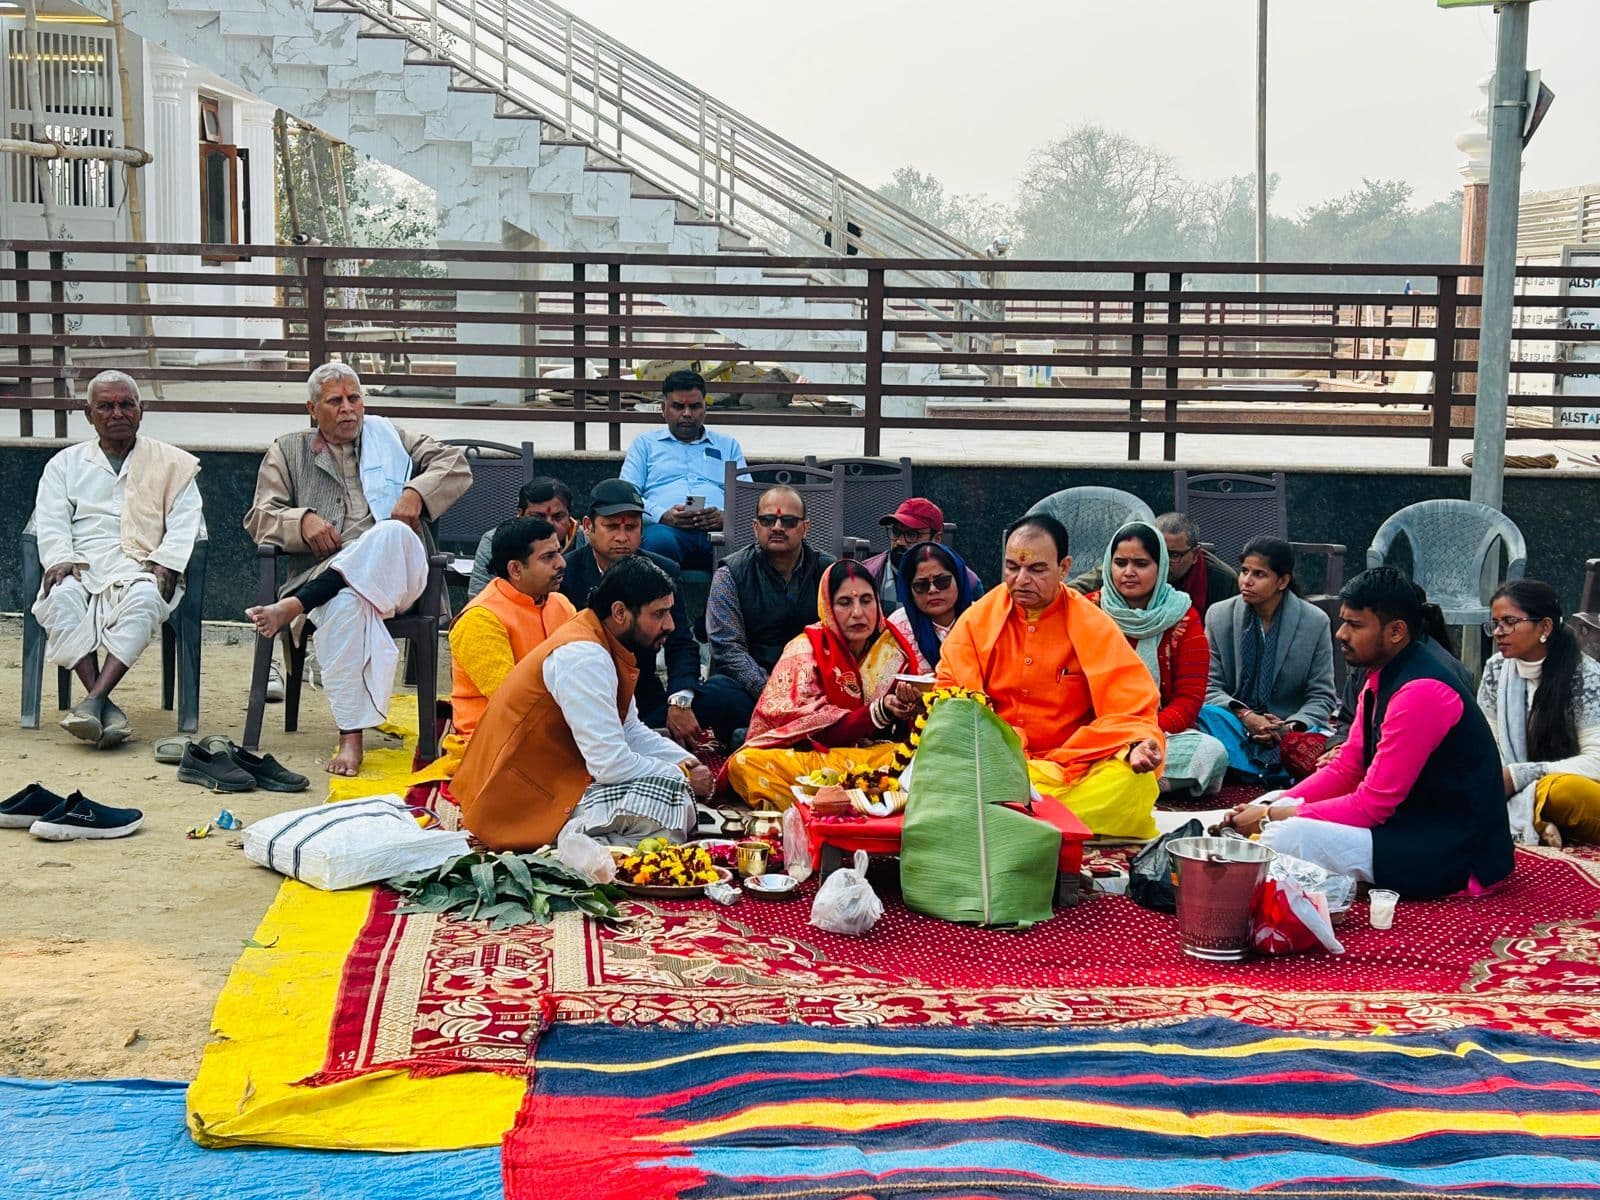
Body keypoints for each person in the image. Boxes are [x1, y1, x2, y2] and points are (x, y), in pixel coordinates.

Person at [1222, 567, 1513, 899]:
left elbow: (1372, 806)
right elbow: (1348, 767)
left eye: (1355, 625)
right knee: (1270, 808)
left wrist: (1270, 817)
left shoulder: (1422, 691)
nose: (1341, 634)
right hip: (1408, 825)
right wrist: (1271, 803)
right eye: (1344, 622)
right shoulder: (1381, 675)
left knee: (1284, 837)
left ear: (1396, 631)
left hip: (1453, 850)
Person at [243, 362, 471, 776]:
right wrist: (302, 521)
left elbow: (454, 464)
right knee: (347, 601)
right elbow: (259, 517)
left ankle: (294, 606)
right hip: (329, 581)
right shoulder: (288, 450)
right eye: (335, 401)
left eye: (354, 398)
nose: (348, 408)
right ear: (313, 409)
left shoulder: (390, 436)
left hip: (401, 576)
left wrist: (416, 493)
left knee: (390, 534)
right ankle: (351, 737)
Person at [450, 556, 714, 850]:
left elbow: (630, 731)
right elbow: (610, 765)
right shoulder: (585, 657)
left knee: (672, 798)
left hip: (550, 784)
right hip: (516, 802)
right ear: (619, 613)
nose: (670, 624)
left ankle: (589, 842)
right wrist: (682, 775)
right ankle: (569, 850)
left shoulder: (603, 641)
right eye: (659, 614)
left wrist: (682, 760)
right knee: (668, 801)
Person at [936, 514, 1165, 838]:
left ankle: (1009, 819)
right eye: (1013, 567)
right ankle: (1044, 820)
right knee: (941, 773)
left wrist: (1137, 746)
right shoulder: (978, 621)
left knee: (1133, 782)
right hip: (995, 763)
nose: (1021, 579)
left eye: (1037, 569)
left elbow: (1131, 710)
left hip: (1071, 767)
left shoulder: (1092, 625)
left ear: (1065, 567)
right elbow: (952, 698)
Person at [31, 371, 203, 748]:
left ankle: (92, 702)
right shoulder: (65, 464)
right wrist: (60, 559)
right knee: (61, 597)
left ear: (141, 411)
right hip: (81, 562)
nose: (117, 413)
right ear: (88, 413)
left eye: (126, 404)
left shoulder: (171, 463)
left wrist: (167, 562)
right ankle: (101, 704)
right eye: (105, 406)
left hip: (141, 563)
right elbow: (51, 520)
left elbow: (186, 521)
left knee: (144, 599)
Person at [726, 560, 920, 808]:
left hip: (868, 759)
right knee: (745, 764)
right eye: (845, 602)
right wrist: (879, 711)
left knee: (920, 756)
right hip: (814, 761)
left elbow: (908, 733)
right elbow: (804, 731)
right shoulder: (806, 649)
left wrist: (908, 707)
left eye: (866, 600)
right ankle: (842, 808)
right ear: (827, 607)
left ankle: (832, 806)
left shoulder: (893, 649)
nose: (858, 613)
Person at [558, 479, 707, 744]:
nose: (622, 537)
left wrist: (679, 702)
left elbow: (681, 643)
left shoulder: (664, 570)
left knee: (722, 698)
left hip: (644, 696)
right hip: (580, 700)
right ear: (588, 527)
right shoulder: (564, 575)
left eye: (632, 527)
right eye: (612, 526)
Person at [1086, 522, 1228, 797]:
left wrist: (1143, 735)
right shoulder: (1088, 611)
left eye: (1141, 563)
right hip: (1095, 731)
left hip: (1157, 732)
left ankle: (1119, 783)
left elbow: (1189, 701)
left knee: (1211, 752)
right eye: (1120, 562)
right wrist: (1115, 734)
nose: (1128, 572)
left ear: (1160, 566)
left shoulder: (1184, 617)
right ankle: (1137, 785)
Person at [435, 517, 576, 776]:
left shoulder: (560, 604)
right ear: (515, 569)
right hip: (495, 740)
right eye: (548, 557)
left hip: (553, 726)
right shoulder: (481, 618)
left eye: (559, 552)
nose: (561, 563)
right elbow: (513, 702)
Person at [700, 486, 835, 745]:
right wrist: (774, 691)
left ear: (806, 527)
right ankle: (793, 736)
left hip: (813, 689)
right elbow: (727, 648)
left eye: (788, 521)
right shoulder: (730, 574)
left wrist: (805, 691)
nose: (777, 527)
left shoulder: (829, 571)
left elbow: (843, 635)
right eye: (767, 520)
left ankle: (757, 738)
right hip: (756, 689)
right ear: (755, 526)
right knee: (715, 693)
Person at [1198, 537, 1336, 784]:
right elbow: (1209, 687)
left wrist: (1289, 728)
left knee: (1323, 739)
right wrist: (1248, 716)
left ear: (1283, 581)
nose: (1246, 581)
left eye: (1259, 574)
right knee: (1203, 714)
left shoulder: (1315, 622)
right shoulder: (1219, 615)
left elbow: (1322, 695)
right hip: (1236, 722)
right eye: (1244, 571)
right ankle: (1276, 771)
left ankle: (1240, 766)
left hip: (1288, 727)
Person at [1478, 580, 1600, 847]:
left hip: (1578, 787)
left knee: (1561, 791)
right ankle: (1536, 818)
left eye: (1509, 621)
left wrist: (1520, 775)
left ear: (1544, 627)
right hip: (1509, 788)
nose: (1499, 632)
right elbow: (1489, 745)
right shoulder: (1496, 670)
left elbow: (1596, 763)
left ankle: (1534, 813)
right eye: (1495, 623)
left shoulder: (1586, 676)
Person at [620, 369, 746, 570]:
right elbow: (626, 495)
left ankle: (728, 602)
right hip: (666, 530)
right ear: (663, 408)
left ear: (705, 408)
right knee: (656, 544)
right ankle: (665, 602)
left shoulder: (727, 445)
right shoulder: (645, 444)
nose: (687, 414)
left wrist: (724, 516)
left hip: (720, 530)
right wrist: (662, 515)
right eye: (678, 407)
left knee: (746, 550)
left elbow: (747, 496)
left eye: (694, 406)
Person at [1069, 511, 1238, 619]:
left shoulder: (1222, 581)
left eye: (1173, 555)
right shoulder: (1126, 568)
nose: (1163, 559)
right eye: (1156, 552)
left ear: (1194, 555)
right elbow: (1070, 591)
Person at [860, 498, 979, 616]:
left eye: (912, 535)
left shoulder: (968, 583)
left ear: (936, 539)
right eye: (896, 532)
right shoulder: (867, 575)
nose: (899, 542)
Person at [467, 476, 576, 597]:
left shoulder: (587, 541)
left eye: (558, 516)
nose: (548, 524)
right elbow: (479, 597)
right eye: (538, 517)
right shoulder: (495, 540)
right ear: (520, 514)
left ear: (569, 517)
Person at [886, 541, 978, 673]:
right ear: (909, 590)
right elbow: (880, 687)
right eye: (921, 585)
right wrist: (900, 692)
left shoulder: (982, 620)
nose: (933, 590)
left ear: (959, 579)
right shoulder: (897, 626)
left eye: (942, 581)